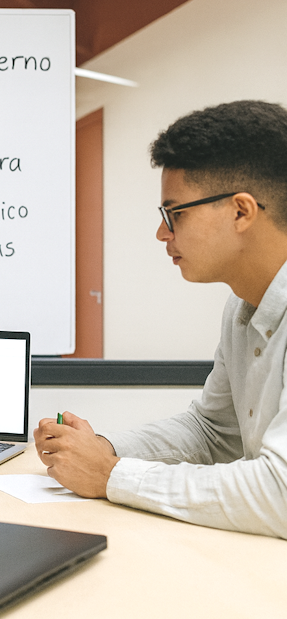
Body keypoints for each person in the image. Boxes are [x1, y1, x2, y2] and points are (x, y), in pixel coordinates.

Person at [35, 100, 287, 539]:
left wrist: (111, 475)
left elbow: (279, 492)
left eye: (176, 214)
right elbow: (212, 432)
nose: (162, 233)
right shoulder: (242, 307)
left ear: (241, 212)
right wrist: (102, 449)